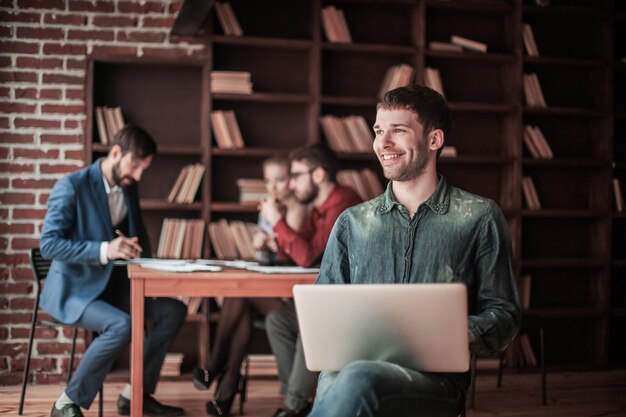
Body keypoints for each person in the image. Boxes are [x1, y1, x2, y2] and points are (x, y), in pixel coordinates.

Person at [307, 84, 522, 417]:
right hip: (352, 370)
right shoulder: (351, 223)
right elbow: (324, 313)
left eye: (399, 131)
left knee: (355, 378)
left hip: (435, 382)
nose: (383, 143)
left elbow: (504, 313)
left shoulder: (479, 217)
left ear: (434, 140)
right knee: (341, 376)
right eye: (379, 131)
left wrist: (445, 334)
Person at [40, 125, 187, 417]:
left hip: (114, 287)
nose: (139, 175)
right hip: (74, 291)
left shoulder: (128, 185)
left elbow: (140, 234)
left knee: (173, 310)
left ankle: (136, 395)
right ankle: (66, 403)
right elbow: (49, 245)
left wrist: (145, 258)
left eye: (144, 168)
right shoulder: (72, 185)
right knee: (121, 324)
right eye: (135, 165)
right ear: (116, 152)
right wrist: (106, 250)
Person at [191, 156, 308, 417]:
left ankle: (216, 365)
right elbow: (266, 259)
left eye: (280, 179)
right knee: (240, 302)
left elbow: (293, 255)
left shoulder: (297, 207)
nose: (274, 186)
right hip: (267, 290)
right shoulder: (270, 207)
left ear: (292, 179)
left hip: (291, 296)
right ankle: (228, 382)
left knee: (240, 294)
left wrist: (272, 240)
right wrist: (258, 246)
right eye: (268, 181)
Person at [262, 144, 362, 417]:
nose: (291, 185)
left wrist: (277, 222)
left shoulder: (343, 204)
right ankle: (295, 398)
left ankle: (291, 407)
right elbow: (295, 252)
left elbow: (306, 256)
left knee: (309, 324)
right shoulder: (319, 208)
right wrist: (277, 234)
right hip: (328, 300)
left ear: (318, 175)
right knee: (278, 321)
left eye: (296, 176)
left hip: (350, 307)